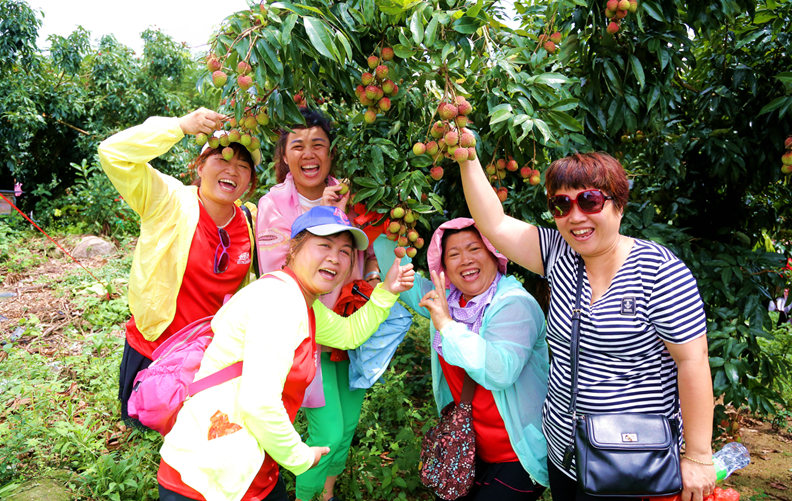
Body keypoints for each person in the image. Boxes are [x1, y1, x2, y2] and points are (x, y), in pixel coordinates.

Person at [457, 152, 714, 501]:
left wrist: (698, 456)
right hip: (566, 449)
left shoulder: (659, 272)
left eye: (589, 201)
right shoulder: (559, 255)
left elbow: (693, 361)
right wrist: (467, 159)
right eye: (561, 205)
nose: (575, 217)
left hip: (631, 455)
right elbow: (495, 224)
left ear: (618, 204)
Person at [157, 206, 415, 501]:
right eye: (324, 244)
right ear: (293, 248)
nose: (335, 257)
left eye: (345, 251)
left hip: (244, 468)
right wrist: (301, 457)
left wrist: (388, 291)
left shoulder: (303, 302)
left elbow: (348, 334)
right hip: (205, 478)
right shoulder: (278, 302)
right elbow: (259, 404)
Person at [256, 108, 407, 501]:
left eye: (318, 144)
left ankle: (326, 493)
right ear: (284, 156)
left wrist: (372, 278)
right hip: (310, 333)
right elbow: (277, 269)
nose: (309, 154)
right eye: (298, 145)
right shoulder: (273, 203)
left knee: (349, 425)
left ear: (331, 152)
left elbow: (368, 249)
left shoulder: (352, 193)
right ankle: (305, 496)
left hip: (349, 326)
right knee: (328, 432)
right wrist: (318, 212)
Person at [98, 107, 258, 423]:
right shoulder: (168, 200)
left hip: (209, 358)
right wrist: (179, 126)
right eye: (222, 159)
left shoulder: (250, 220)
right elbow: (112, 152)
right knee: (152, 437)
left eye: (243, 166)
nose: (232, 170)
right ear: (200, 165)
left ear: (250, 181)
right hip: (156, 351)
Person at [375, 218, 549, 500]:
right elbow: (394, 267)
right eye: (453, 255)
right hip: (467, 449)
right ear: (442, 268)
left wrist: (446, 325)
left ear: (495, 253)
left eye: (474, 249)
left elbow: (499, 371)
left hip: (518, 454)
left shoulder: (515, 304)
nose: (465, 260)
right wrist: (380, 216)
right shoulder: (448, 301)